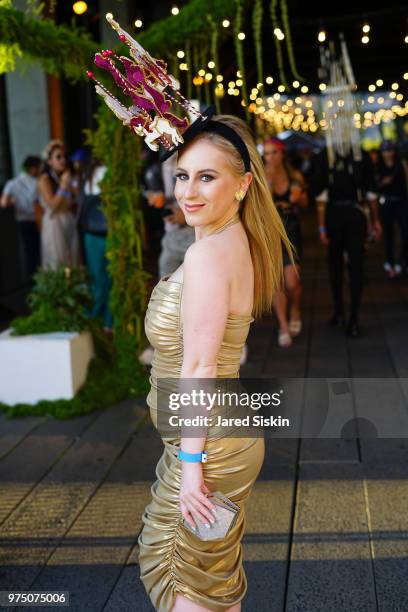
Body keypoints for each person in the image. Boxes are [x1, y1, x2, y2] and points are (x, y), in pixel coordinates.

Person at [137, 114, 291, 612]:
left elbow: (201, 367)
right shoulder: (228, 239)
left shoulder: (208, 256)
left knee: (183, 575)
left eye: (207, 177)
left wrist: (191, 467)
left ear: (243, 184)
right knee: (212, 579)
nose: (188, 191)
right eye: (183, 175)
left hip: (208, 446)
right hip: (215, 435)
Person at [315, 149, 382, 337]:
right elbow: (321, 196)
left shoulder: (357, 156)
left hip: (350, 215)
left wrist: (375, 221)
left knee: (353, 266)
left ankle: (350, 315)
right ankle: (343, 313)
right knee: (339, 266)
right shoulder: (328, 156)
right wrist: (321, 227)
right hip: (342, 216)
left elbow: (370, 193)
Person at [264, 137, 308, 347]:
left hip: (290, 230)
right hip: (269, 232)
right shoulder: (260, 177)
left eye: (274, 152)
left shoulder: (294, 175)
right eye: (267, 153)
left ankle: (296, 309)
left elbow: (306, 204)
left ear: (282, 154)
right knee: (277, 283)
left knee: (292, 282)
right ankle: (283, 325)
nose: (270, 157)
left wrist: (299, 197)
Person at [77, 158, 113, 332]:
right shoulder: (99, 172)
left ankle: (101, 321)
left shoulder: (88, 174)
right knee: (103, 278)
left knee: (100, 278)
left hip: (95, 233)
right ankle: (101, 322)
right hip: (100, 232)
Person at [38, 140, 80, 270]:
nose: (63, 160)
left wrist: (71, 184)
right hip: (54, 222)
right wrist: (63, 185)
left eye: (64, 157)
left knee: (73, 258)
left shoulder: (65, 177)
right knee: (58, 261)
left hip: (68, 219)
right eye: (58, 157)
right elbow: (53, 205)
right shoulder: (44, 179)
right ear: (49, 161)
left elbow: (77, 199)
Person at [0, 155, 41, 280]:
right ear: (33, 168)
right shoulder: (37, 182)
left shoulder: (12, 183)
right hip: (37, 220)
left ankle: (31, 280)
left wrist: (14, 201)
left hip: (23, 221)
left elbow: (3, 203)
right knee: (39, 252)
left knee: (28, 252)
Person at [376, 141, 408, 278]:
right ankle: (390, 262)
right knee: (389, 234)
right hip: (386, 202)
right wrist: (383, 182)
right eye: (385, 151)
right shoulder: (378, 166)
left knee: (405, 232)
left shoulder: (401, 164)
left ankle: (403, 262)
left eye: (390, 150)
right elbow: (374, 184)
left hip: (401, 201)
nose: (388, 153)